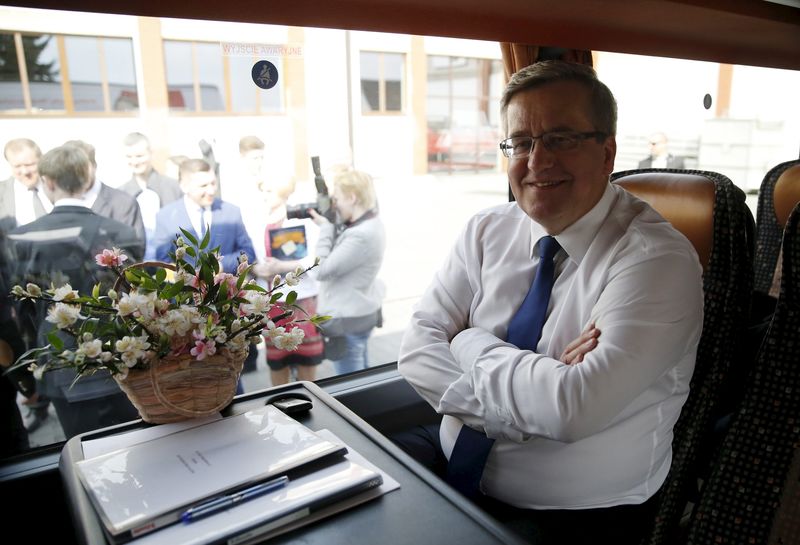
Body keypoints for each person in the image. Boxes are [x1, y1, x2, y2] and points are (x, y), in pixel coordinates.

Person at [395, 60, 703, 545]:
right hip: (451, 458)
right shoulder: (486, 230)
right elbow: (415, 351)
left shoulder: (656, 260)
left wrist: (469, 342)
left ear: (607, 153)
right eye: (521, 142)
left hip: (579, 512)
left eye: (560, 139)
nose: (536, 161)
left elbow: (571, 409)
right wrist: (529, 395)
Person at [7, 145, 144, 439]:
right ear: (86, 177)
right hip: (122, 358)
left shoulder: (22, 237)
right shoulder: (120, 231)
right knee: (134, 442)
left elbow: (22, 310)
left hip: (61, 362)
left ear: (48, 181)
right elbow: (138, 296)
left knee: (84, 448)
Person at [309, 168, 385, 376]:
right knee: (363, 377)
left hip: (347, 323)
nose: (336, 205)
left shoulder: (360, 235)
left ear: (351, 197)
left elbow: (321, 270)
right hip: (357, 314)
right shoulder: (370, 222)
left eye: (338, 199)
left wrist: (325, 228)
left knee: (352, 384)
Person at [0, 138, 53, 432]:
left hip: (58, 285)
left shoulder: (53, 186)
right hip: (17, 290)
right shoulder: (2, 195)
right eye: (18, 166)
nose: (25, 171)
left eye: (30, 164)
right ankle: (38, 403)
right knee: (30, 349)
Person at [253, 194, 323, 386]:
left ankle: (309, 401)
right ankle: (280, 406)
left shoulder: (304, 218)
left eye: (269, 188)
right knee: (277, 363)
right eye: (262, 188)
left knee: (307, 361)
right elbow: (248, 253)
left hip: (302, 301)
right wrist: (256, 268)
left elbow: (319, 258)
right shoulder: (255, 219)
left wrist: (283, 267)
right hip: (270, 302)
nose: (264, 192)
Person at [151, 158, 255, 274]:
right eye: (203, 186)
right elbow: (163, 263)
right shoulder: (166, 216)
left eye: (213, 183)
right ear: (184, 186)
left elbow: (248, 253)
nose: (211, 190)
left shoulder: (231, 212)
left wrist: (221, 266)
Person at [221, 135, 296, 264]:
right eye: (255, 158)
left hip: (270, 243)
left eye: (262, 157)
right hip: (247, 247)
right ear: (242, 157)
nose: (259, 162)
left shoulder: (267, 180)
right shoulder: (233, 187)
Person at [63, 140, 146, 243]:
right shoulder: (59, 203)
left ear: (94, 166)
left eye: (82, 167)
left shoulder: (123, 204)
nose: (77, 173)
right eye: (71, 168)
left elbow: (133, 250)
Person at [118, 132, 183, 258]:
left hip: (171, 262)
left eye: (139, 156)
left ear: (151, 153)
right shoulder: (121, 194)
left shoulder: (173, 187)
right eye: (129, 157)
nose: (135, 162)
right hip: (135, 263)